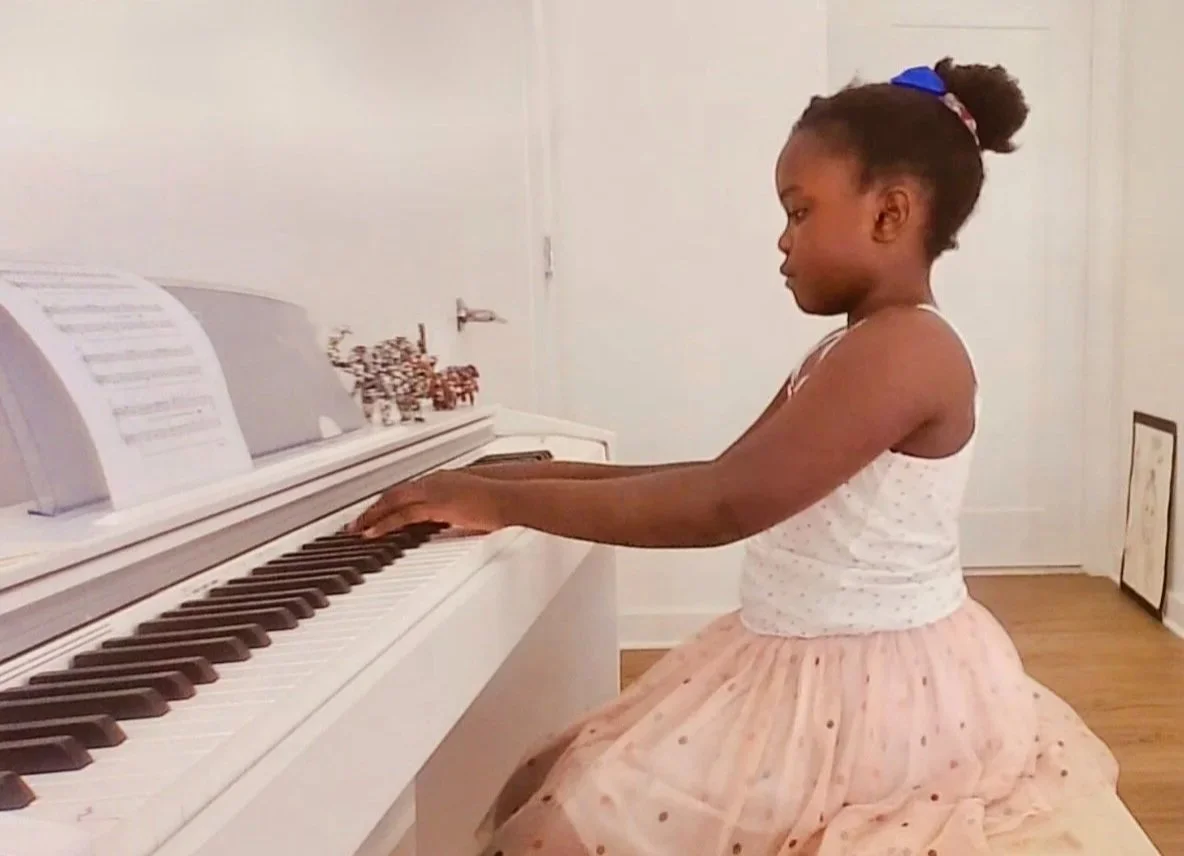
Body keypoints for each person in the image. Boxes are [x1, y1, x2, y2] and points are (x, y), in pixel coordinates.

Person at [349, 58, 1118, 855]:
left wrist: (506, 503)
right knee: (557, 787)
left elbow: (724, 505)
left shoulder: (907, 350)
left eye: (799, 211)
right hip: (810, 658)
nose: (782, 241)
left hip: (868, 692)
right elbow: (717, 473)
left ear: (890, 214)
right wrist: (503, 478)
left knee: (556, 827)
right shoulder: (849, 347)